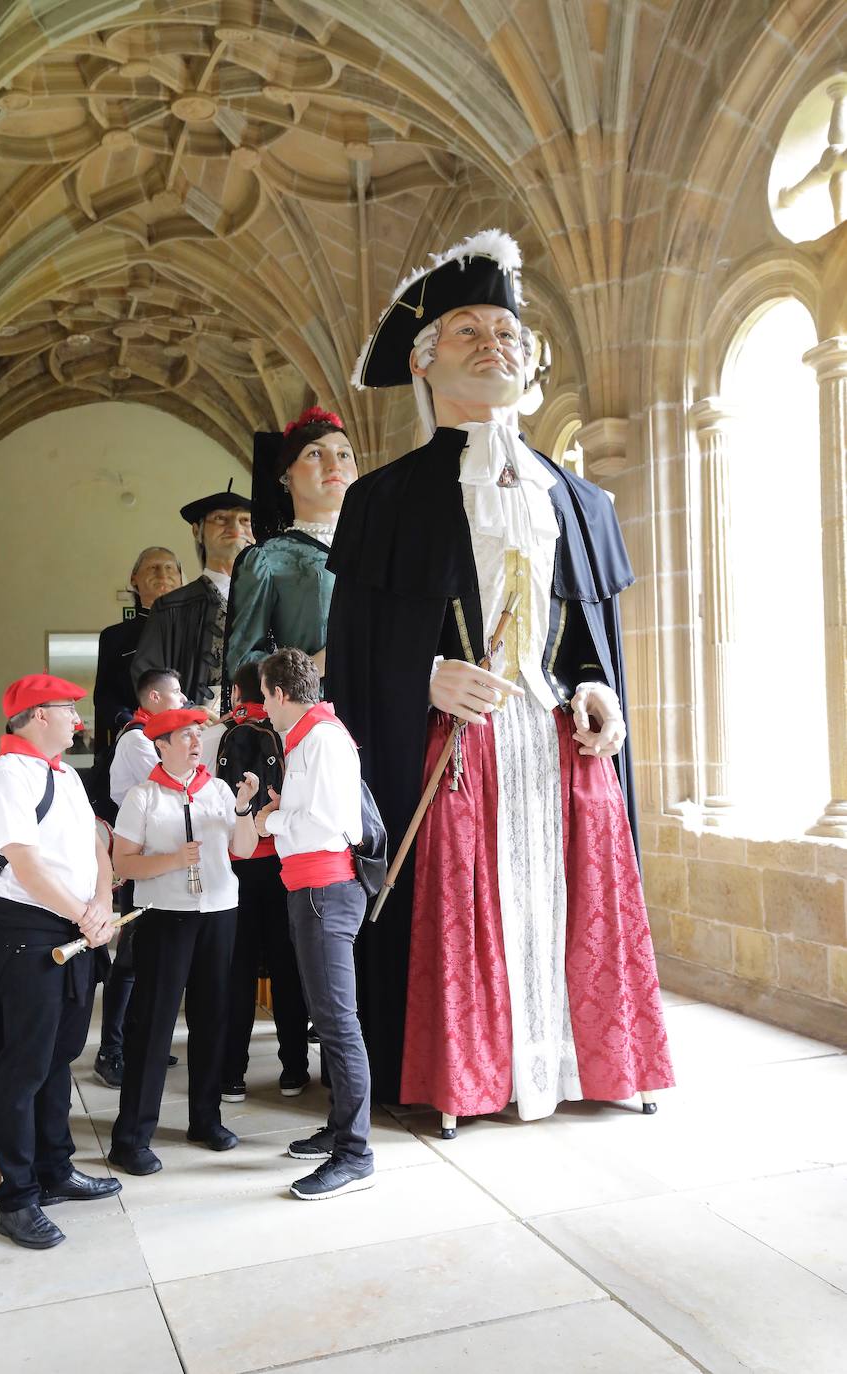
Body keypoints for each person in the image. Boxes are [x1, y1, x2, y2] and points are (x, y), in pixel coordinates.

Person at [328, 228, 674, 1127]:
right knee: (464, 909)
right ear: (424, 362)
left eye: (508, 332)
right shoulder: (382, 501)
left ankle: (587, 1066)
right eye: (470, 331)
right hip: (455, 748)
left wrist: (598, 691)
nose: (495, 344)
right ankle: (465, 1080)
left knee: (575, 902)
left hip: (558, 747)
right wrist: (426, 675)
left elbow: (588, 639)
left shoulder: (582, 500)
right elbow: (356, 650)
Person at [0, 674, 120, 1250]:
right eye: (68, 710)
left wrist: (102, 903)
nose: (77, 720)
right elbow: (25, 868)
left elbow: (96, 849)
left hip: (76, 924)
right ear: (36, 716)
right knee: (23, 1066)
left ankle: (56, 1170)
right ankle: (17, 1197)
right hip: (27, 933)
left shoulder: (65, 777)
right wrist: (87, 916)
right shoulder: (5, 776)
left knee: (60, 1057)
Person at [108, 707, 259, 1176]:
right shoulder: (143, 796)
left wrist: (242, 808)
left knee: (213, 1017)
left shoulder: (216, 789)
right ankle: (130, 1138)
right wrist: (174, 859)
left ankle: (205, 1120)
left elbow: (246, 850)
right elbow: (123, 866)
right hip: (164, 918)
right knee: (153, 1026)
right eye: (185, 736)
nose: (196, 742)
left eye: (198, 735)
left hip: (219, 913)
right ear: (161, 745)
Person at [253, 648, 374, 1201]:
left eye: (264, 696)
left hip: (326, 889)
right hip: (309, 888)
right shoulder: (305, 739)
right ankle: (338, 1130)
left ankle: (355, 1153)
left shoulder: (321, 739)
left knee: (338, 1023)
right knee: (326, 1020)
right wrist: (284, 811)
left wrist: (270, 819)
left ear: (279, 693)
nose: (263, 707)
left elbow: (325, 823)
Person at [215, 661, 309, 1102]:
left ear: (236, 691)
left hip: (235, 866)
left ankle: (232, 1074)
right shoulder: (289, 738)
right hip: (279, 865)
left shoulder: (219, 735)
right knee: (286, 969)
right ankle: (293, 1070)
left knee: (237, 972)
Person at [91, 667, 187, 1089]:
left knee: (147, 954)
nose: (183, 699)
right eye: (176, 693)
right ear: (152, 698)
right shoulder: (137, 739)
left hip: (158, 861)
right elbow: (170, 781)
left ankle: (135, 1039)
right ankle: (110, 1049)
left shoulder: (154, 736)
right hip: (138, 861)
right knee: (129, 959)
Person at [224, 408, 358, 689]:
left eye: (344, 454)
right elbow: (242, 664)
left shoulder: (381, 550)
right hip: (316, 719)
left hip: (386, 710)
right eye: (315, 453)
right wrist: (312, 666)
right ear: (287, 476)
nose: (335, 464)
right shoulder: (269, 559)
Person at [132, 481, 253, 714]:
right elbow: (149, 676)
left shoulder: (270, 600)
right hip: (195, 732)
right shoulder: (169, 607)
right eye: (220, 518)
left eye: (245, 520)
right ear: (197, 530)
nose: (234, 527)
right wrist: (186, 710)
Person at [93, 547, 183, 758]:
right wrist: (132, 723)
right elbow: (105, 696)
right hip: (137, 743)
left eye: (169, 568)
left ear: (180, 579)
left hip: (189, 739)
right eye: (153, 568)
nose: (162, 574)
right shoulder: (114, 636)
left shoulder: (198, 631)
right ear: (134, 579)